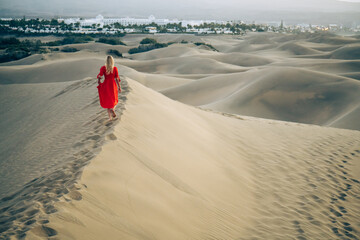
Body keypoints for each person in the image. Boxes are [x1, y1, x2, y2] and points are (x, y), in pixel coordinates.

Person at [97, 56, 121, 120]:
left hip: (106, 85)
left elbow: (100, 75)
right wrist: (119, 87)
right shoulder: (115, 68)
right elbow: (117, 78)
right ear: (112, 61)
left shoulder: (103, 68)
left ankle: (110, 118)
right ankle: (112, 109)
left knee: (108, 101)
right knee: (113, 100)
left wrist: (99, 81)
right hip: (113, 85)